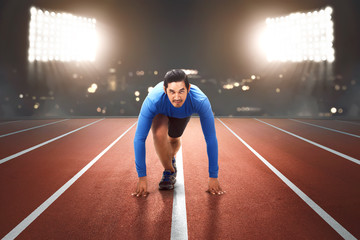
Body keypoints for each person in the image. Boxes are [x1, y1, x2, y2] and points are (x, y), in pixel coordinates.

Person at [132, 69, 224, 197]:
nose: (177, 97)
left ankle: (171, 158)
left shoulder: (200, 100)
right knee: (159, 134)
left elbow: (210, 138)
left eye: (181, 91)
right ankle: (169, 170)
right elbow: (139, 138)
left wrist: (213, 176)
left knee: (174, 139)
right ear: (165, 90)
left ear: (189, 88)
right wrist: (142, 177)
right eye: (172, 92)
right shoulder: (153, 100)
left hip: (182, 114)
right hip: (162, 111)